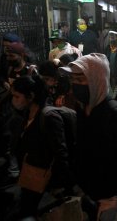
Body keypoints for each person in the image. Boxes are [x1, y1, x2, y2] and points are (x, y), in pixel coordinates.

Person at [59, 53, 117, 220]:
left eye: (81, 80)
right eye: (73, 80)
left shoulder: (116, 114)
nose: (75, 85)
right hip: (92, 191)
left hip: (111, 194)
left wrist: (112, 194)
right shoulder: (82, 108)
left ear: (96, 81)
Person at [11, 75, 79, 219]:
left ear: (31, 96)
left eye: (17, 96)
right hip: (31, 173)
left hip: (44, 176)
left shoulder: (49, 117)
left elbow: (61, 152)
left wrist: (63, 184)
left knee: (31, 211)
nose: (14, 100)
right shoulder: (27, 112)